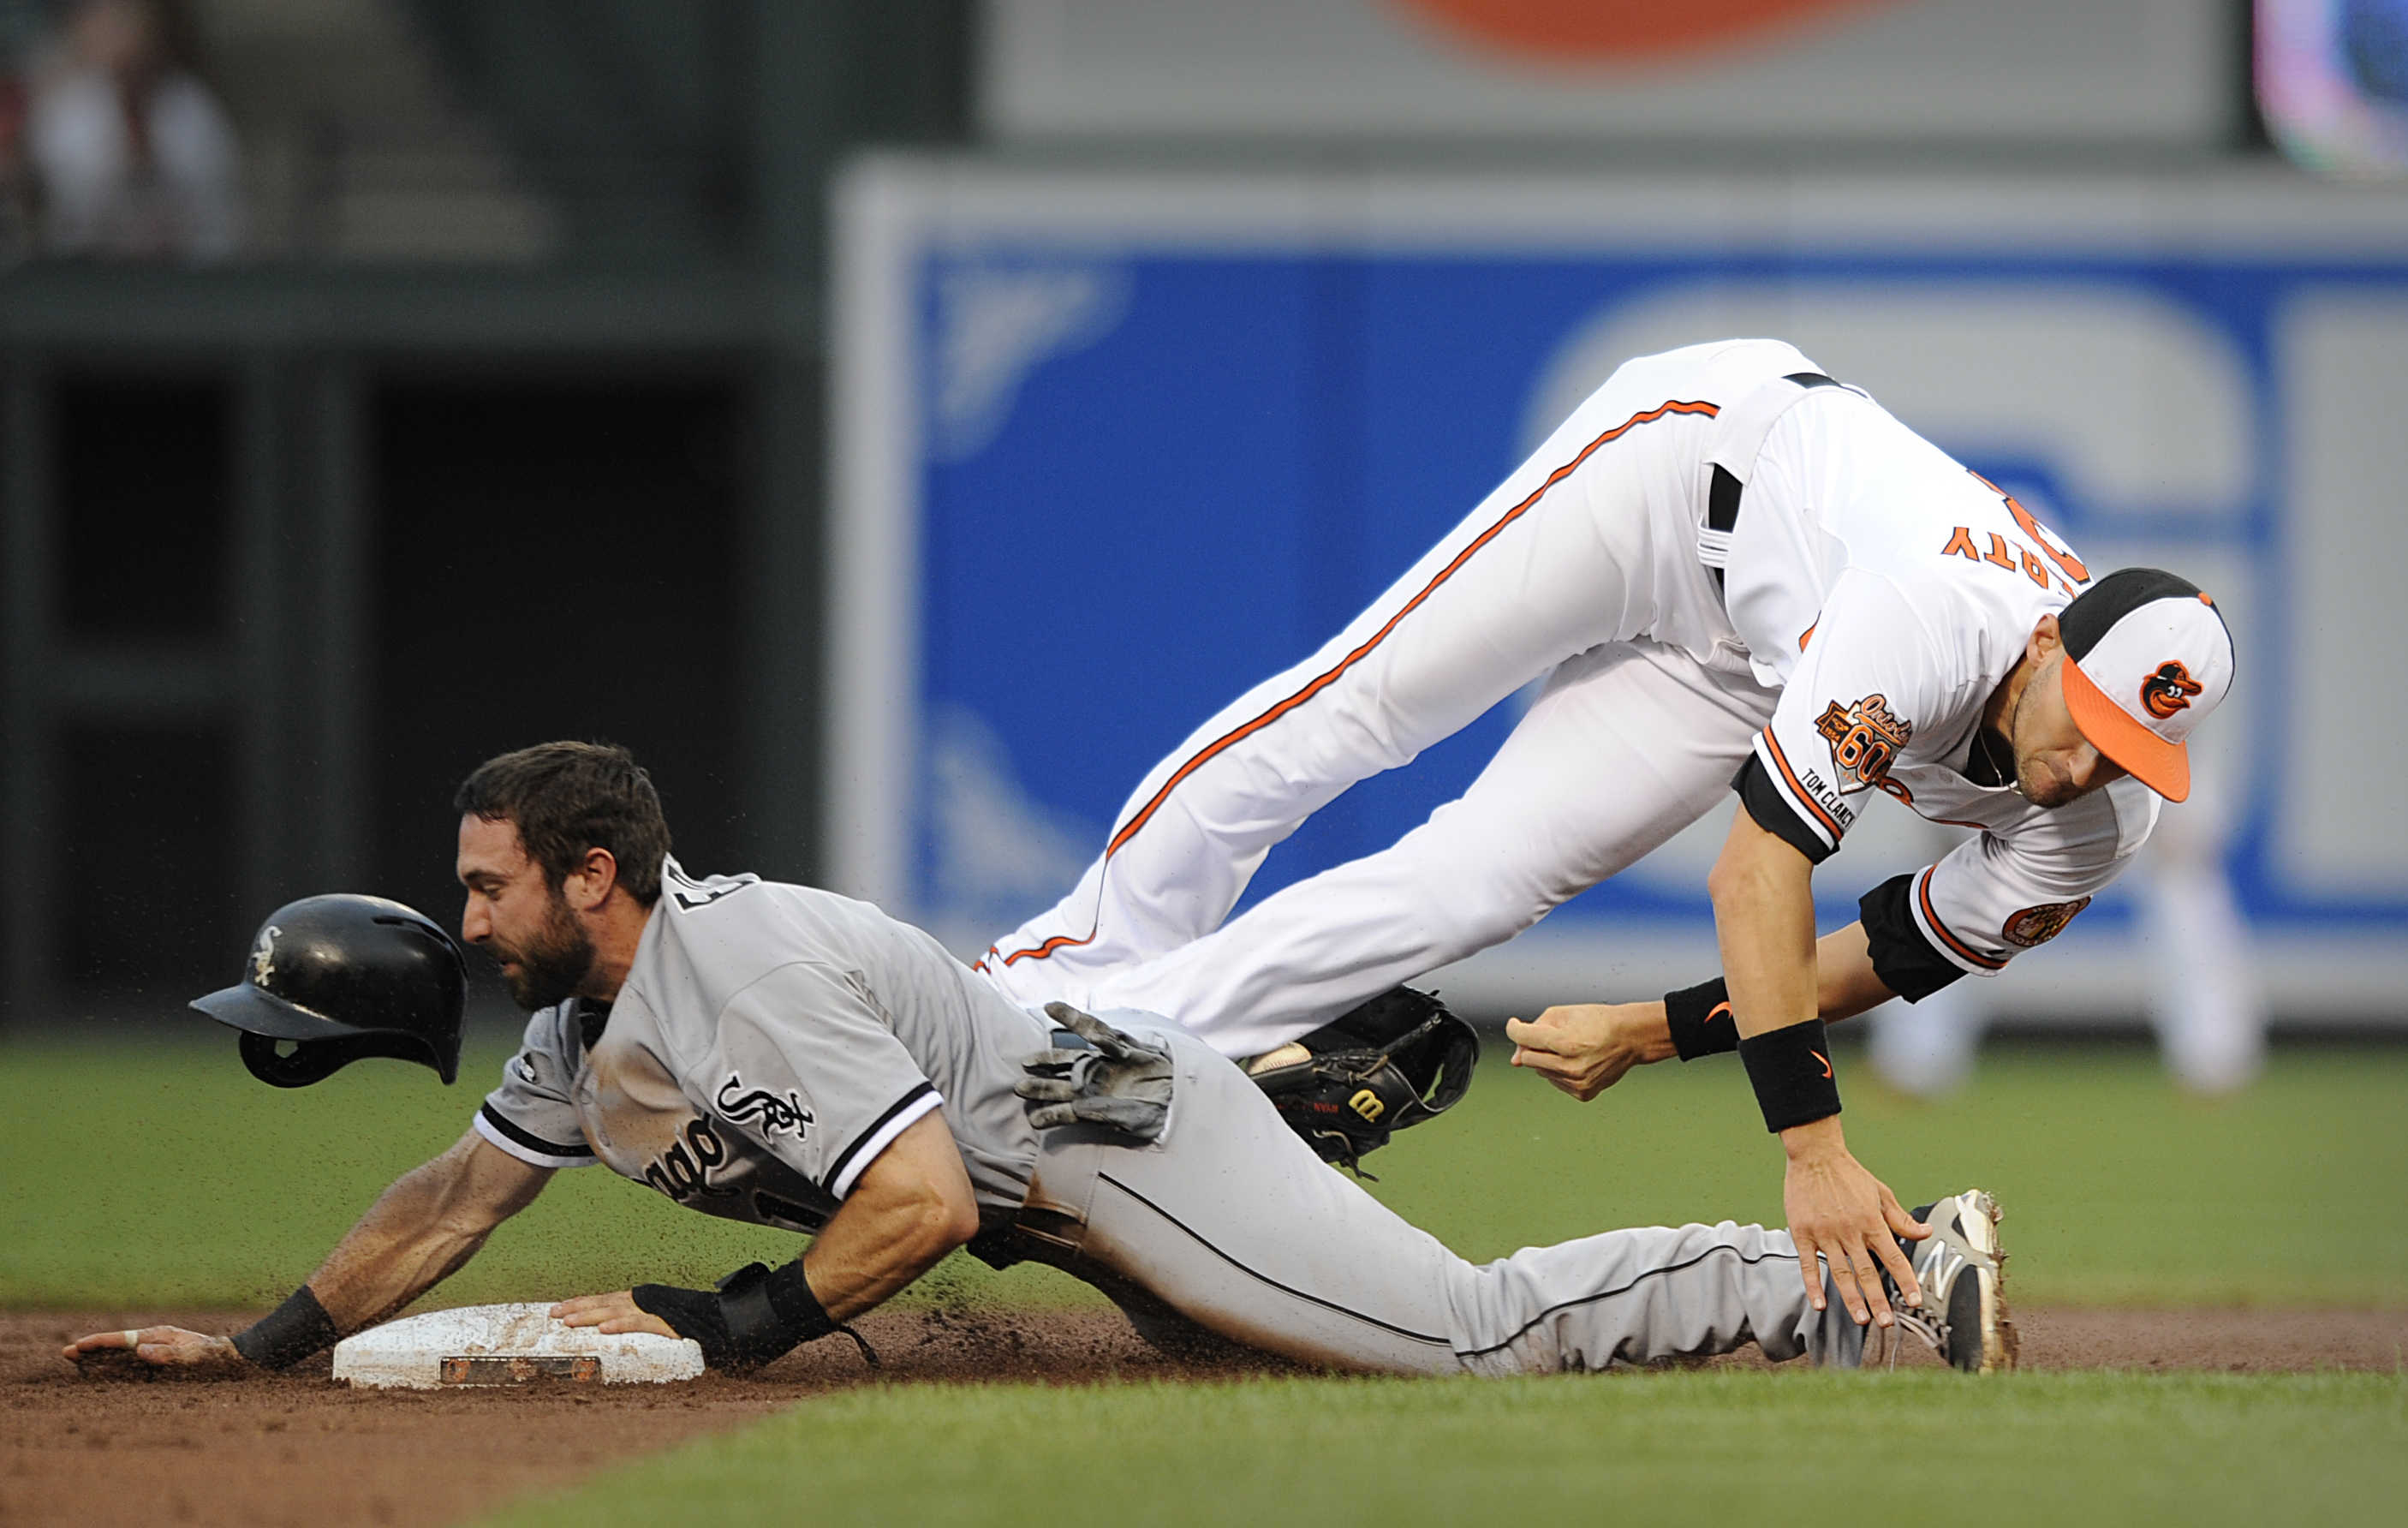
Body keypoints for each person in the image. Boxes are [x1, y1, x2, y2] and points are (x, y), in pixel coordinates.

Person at [65, 742, 2014, 1380]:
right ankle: (1292, 1108)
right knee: (1224, 1344)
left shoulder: (727, 981)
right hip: (1054, 1108)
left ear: (592, 870)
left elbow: (909, 1199)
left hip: (1092, 1133)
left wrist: (735, 1318)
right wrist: (259, 1348)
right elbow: (456, 1194)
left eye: (490, 885)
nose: (467, 915)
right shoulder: (593, 1020)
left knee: (1464, 1336)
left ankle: (1890, 1271)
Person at [974, 337, 2235, 1322]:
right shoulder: (1935, 619)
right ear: (2044, 640)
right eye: (2087, 722)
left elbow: (1881, 957)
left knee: (1477, 888)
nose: (2080, 769)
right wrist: (1813, 1149)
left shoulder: (2106, 818)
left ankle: (1079, 1059)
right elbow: (1759, 875)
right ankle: (1028, 984)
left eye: (2128, 753)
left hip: (1749, 660)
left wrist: (1648, 1029)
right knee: (1361, 707)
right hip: (1682, 470)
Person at [26, 0, 239, 262]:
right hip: (87, 270)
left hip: (184, 270)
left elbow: (215, 206)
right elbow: (68, 208)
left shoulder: (190, 105)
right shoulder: (71, 109)